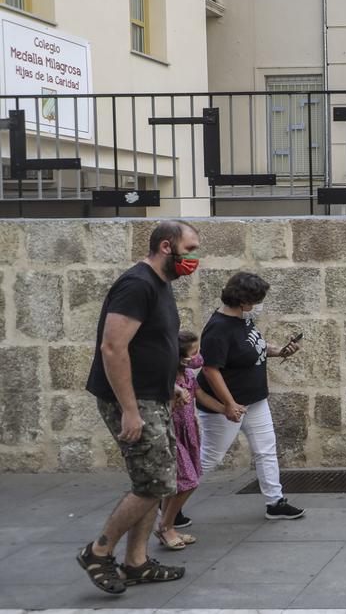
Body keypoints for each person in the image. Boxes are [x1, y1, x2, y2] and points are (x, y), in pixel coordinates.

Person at [77, 220, 200, 595]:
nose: (193, 258)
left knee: (152, 480)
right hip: (132, 401)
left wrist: (171, 389)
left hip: (154, 397)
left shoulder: (159, 285)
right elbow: (113, 348)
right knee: (155, 482)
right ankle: (99, 552)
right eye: (190, 249)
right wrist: (130, 410)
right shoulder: (137, 284)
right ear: (167, 247)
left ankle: (136, 562)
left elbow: (153, 346)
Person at [197, 272, 305, 520]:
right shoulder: (218, 329)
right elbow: (210, 370)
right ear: (244, 303)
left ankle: (275, 502)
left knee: (266, 450)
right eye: (257, 302)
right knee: (209, 458)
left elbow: (255, 345)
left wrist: (280, 351)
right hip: (226, 406)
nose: (259, 307)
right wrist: (229, 403)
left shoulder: (241, 320)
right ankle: (167, 503)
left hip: (254, 400)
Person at [156, 330, 223, 550]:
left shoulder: (189, 376)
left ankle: (167, 527)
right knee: (189, 481)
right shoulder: (167, 380)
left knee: (179, 484)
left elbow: (200, 395)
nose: (198, 356)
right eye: (195, 352)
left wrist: (225, 409)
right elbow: (164, 409)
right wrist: (176, 397)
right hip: (173, 435)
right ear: (181, 357)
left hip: (189, 433)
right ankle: (165, 526)